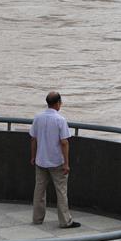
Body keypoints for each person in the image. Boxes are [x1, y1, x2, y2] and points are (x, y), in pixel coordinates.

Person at [30, 91, 80, 228]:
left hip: (41, 160)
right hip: (57, 162)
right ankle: (65, 221)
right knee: (61, 192)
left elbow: (33, 139)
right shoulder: (60, 120)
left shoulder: (38, 117)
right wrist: (66, 163)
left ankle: (37, 218)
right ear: (58, 103)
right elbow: (64, 142)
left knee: (39, 190)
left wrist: (33, 156)